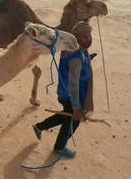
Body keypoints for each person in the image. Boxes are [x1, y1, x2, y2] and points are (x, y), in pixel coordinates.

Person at [32, 21, 95, 158]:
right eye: (84, 36)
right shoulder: (77, 57)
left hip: (64, 93)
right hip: (72, 96)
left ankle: (39, 127)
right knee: (73, 121)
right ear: (76, 37)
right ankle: (59, 148)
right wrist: (77, 107)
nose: (88, 39)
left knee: (65, 116)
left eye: (89, 35)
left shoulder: (71, 51)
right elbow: (73, 85)